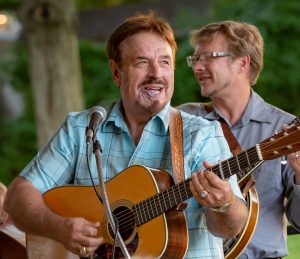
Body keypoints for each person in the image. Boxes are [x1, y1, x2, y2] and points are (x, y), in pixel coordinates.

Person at [4, 13, 248, 258]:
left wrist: (224, 203)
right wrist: (59, 228)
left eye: (164, 62)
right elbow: (17, 198)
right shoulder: (82, 129)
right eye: (142, 62)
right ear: (116, 72)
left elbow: (228, 228)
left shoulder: (202, 135)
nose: (156, 73)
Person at [178, 20, 300, 258]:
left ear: (242, 63)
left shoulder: (283, 129)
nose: (197, 67)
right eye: (195, 59)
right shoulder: (182, 120)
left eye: (208, 57)